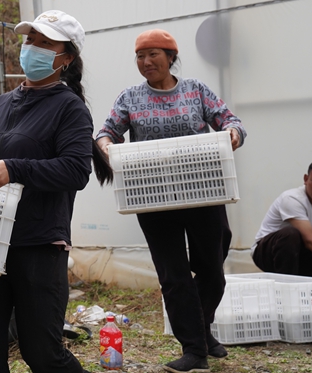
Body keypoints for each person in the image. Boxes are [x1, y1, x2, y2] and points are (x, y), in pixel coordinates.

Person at [0, 10, 112, 373]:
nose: (33, 48)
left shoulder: (70, 108)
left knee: (42, 353)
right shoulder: (1, 103)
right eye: (30, 40)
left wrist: (14, 169)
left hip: (38, 245)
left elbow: (75, 170)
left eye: (46, 43)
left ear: (66, 58)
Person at [95, 29, 246, 373]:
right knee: (174, 275)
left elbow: (230, 121)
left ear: (171, 57)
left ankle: (201, 328)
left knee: (212, 268)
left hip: (204, 191)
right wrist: (106, 146)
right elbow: (107, 132)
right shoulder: (130, 97)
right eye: (140, 56)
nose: (146, 62)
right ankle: (194, 350)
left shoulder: (195, 90)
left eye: (153, 55)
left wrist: (233, 134)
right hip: (154, 197)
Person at [252, 160, 312, 277]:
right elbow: (309, 241)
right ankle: (285, 283)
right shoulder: (292, 199)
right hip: (267, 252)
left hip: (301, 253)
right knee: (290, 234)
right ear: (306, 179)